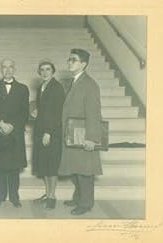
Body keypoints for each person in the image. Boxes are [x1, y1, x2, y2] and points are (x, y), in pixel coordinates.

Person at [58, 48, 103, 215]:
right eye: (69, 59)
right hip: (73, 133)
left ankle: (86, 203)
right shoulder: (73, 82)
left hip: (84, 135)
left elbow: (94, 113)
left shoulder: (90, 85)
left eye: (74, 60)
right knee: (76, 168)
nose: (69, 62)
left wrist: (91, 138)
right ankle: (78, 197)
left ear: (83, 64)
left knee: (85, 171)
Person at [0, 58, 29, 208]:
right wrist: (0, 123)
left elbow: (24, 112)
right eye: (4, 67)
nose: (8, 70)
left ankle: (14, 197)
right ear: (1, 69)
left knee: (14, 168)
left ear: (15, 69)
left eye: (10, 67)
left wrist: (12, 125)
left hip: (15, 133)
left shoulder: (23, 89)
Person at [32, 59, 65, 210]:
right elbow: (44, 109)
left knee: (51, 166)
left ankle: (52, 197)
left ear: (53, 72)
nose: (45, 72)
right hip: (41, 131)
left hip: (51, 133)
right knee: (44, 165)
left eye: (48, 70)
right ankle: (47, 193)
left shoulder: (57, 88)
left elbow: (57, 113)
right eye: (42, 70)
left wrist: (48, 132)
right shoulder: (42, 87)